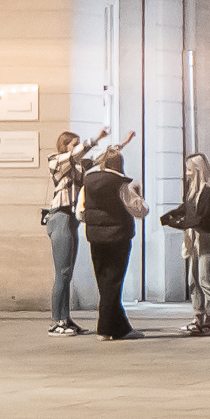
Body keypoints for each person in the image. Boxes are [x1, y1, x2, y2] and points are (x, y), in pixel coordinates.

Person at [78, 133, 139, 341]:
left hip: (95, 237)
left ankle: (119, 326)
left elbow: (80, 211)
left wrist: (121, 143)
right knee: (114, 282)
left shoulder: (88, 180)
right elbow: (138, 209)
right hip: (118, 236)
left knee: (104, 282)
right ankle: (105, 328)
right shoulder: (121, 183)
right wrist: (139, 194)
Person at [168, 151, 210, 337]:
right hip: (195, 238)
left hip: (208, 238)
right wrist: (171, 217)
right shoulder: (193, 191)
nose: (186, 173)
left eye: (189, 169)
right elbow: (187, 210)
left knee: (206, 280)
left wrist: (184, 222)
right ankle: (197, 318)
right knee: (193, 280)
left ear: (198, 170)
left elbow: (205, 218)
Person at [40, 125, 86, 335]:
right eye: (74, 144)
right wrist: (96, 139)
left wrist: (121, 144)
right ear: (65, 146)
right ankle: (56, 321)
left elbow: (100, 159)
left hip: (72, 219)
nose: (77, 148)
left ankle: (65, 318)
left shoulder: (77, 167)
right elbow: (75, 156)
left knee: (67, 273)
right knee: (62, 272)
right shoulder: (55, 160)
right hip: (59, 216)